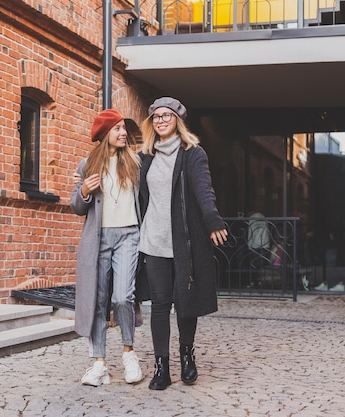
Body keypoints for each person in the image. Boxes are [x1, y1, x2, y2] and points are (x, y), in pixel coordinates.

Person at [138, 97, 228, 390]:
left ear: (178, 120)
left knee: (185, 304)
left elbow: (204, 189)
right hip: (153, 241)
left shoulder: (193, 154)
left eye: (167, 115)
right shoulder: (145, 157)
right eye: (156, 117)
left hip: (183, 242)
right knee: (161, 304)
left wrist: (213, 220)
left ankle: (187, 357)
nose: (161, 120)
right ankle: (161, 367)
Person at [70, 109, 144, 387]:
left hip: (129, 236)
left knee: (123, 297)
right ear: (104, 135)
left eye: (124, 128)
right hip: (98, 240)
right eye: (117, 129)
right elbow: (76, 206)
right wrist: (85, 191)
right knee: (97, 300)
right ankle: (99, 363)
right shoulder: (87, 165)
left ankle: (128, 353)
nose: (123, 133)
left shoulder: (135, 163)